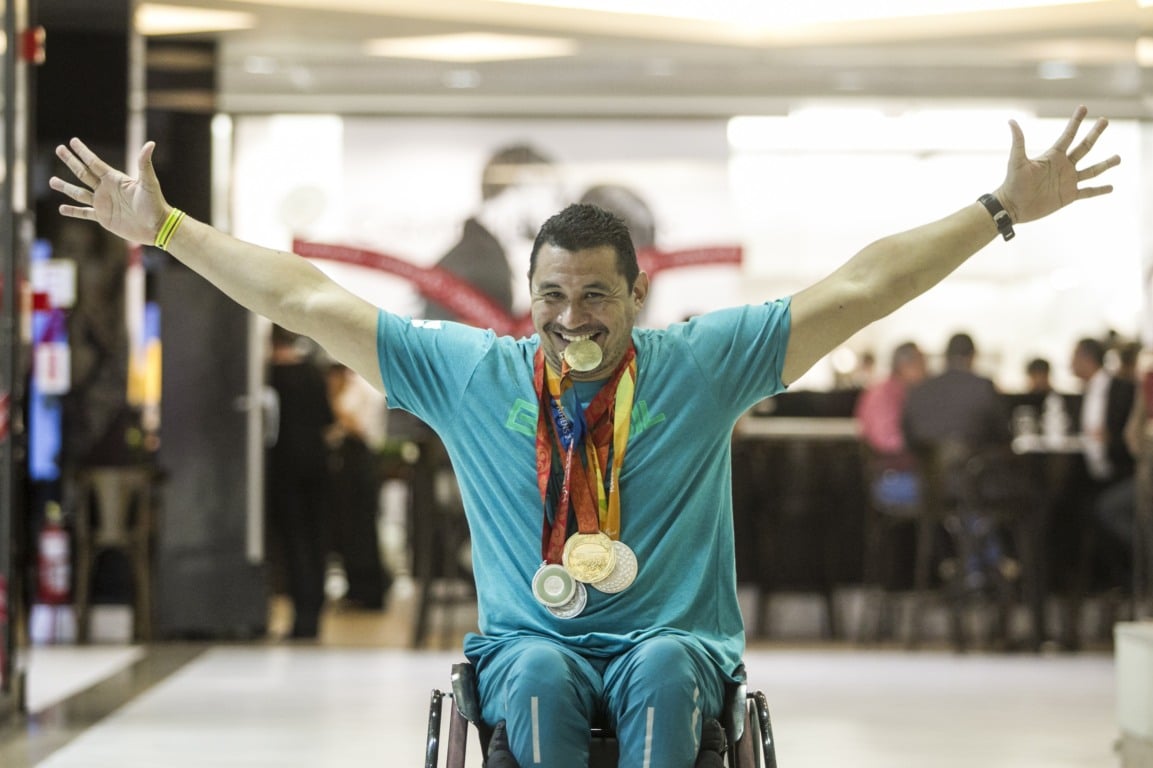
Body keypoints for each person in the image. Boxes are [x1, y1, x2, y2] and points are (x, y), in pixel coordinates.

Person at [50, 106, 1118, 768]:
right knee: (548, 680)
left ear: (635, 294)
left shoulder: (702, 364)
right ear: (528, 296)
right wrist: (169, 232)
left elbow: (864, 283)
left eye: (596, 296)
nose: (574, 317)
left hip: (680, 648)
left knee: (655, 666)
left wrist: (999, 209)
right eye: (554, 294)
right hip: (528, 647)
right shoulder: (469, 373)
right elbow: (307, 301)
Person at [266, 324, 335, 640]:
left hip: (285, 470)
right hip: (318, 467)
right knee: (316, 542)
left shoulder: (271, 378)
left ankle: (300, 619)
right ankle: (313, 616)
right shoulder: (312, 373)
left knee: (294, 546)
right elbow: (327, 419)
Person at [855, 341, 927, 506]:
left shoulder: (895, 391)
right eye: (922, 364)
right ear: (905, 366)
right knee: (957, 490)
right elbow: (888, 442)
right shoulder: (886, 394)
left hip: (897, 475)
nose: (927, 371)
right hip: (892, 478)